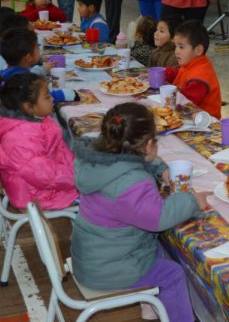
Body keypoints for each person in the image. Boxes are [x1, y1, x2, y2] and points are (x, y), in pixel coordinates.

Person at [70, 103, 208, 322]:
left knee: (159, 249)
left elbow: (133, 163)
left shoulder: (100, 158)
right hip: (109, 269)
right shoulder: (131, 183)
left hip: (94, 257)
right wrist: (192, 200)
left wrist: (162, 170)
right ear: (150, 145)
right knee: (173, 274)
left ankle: (149, 306)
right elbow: (158, 218)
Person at [0, 72, 78, 210]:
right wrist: (79, 178)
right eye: (47, 96)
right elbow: (45, 177)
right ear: (28, 107)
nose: (52, 99)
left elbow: (60, 152)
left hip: (47, 181)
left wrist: (77, 168)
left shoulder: (36, 121)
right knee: (103, 196)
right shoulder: (21, 138)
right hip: (36, 195)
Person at [0, 28, 76, 104]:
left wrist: (43, 68)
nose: (39, 49)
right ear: (28, 58)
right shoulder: (23, 82)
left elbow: (32, 73)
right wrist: (63, 94)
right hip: (23, 119)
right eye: (37, 47)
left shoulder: (7, 72)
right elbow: (39, 102)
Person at [164, 20, 222, 118]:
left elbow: (183, 102)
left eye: (181, 47)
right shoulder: (193, 63)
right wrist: (162, 73)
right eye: (176, 46)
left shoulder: (200, 78)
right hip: (188, 115)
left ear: (198, 50)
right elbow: (179, 74)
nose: (176, 51)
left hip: (205, 124)